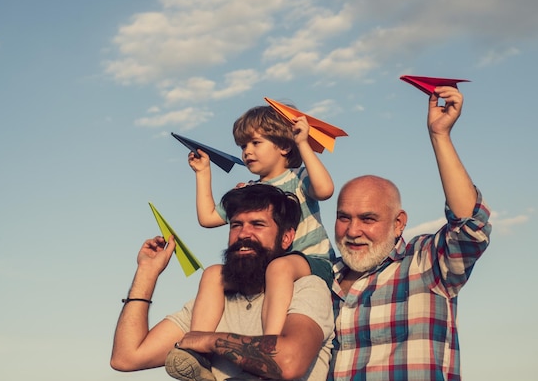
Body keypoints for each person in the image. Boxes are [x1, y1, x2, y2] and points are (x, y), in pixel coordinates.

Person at [329, 86, 492, 381]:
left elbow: (471, 226)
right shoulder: (323, 278)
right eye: (344, 218)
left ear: (398, 223)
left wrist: (439, 135)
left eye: (368, 219)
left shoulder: (426, 264)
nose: (353, 231)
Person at [110, 184, 334, 381]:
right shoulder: (212, 302)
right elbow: (126, 358)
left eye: (257, 224)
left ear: (286, 237)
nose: (244, 233)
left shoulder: (307, 289)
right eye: (236, 225)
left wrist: (207, 341)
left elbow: (289, 362)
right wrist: (147, 273)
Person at [188, 105, 335, 339]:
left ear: (285, 146)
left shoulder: (298, 177)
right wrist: (203, 172)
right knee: (213, 274)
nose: (247, 151)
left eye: (256, 143)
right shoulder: (249, 191)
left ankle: (269, 345)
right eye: (243, 146)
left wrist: (303, 143)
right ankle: (195, 344)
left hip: (312, 262)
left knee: (279, 267)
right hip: (268, 271)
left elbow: (325, 189)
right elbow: (207, 218)